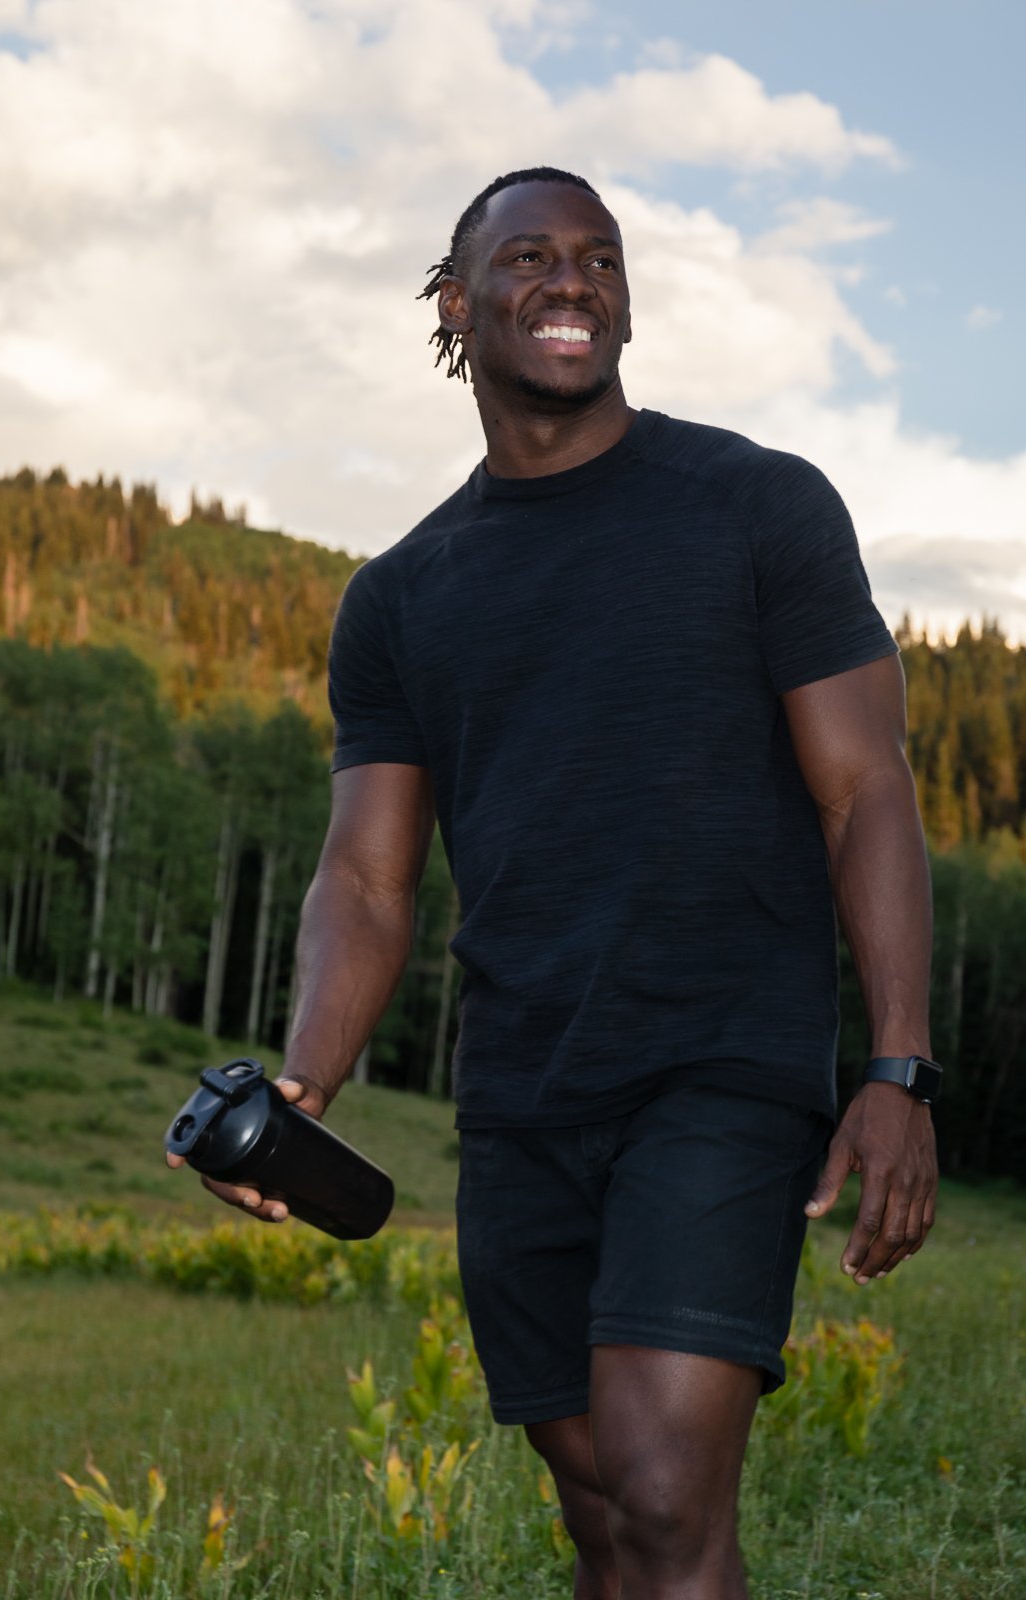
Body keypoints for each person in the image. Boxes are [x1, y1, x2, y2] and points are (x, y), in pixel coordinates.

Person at [169, 166, 938, 1599]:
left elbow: (866, 792)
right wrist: (307, 1081)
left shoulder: (759, 506)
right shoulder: (401, 595)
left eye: (600, 258)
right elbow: (368, 877)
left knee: (662, 1489)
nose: (572, 279)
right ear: (455, 305)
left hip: (721, 1063)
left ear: (626, 304)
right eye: (528, 256)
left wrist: (900, 1067)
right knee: (604, 1515)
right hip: (522, 1093)